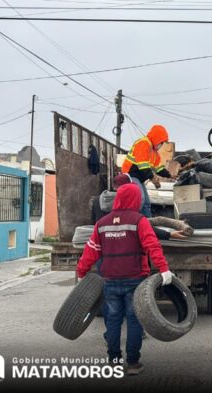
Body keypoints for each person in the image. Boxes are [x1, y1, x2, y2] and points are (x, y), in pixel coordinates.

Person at [76, 183, 174, 375]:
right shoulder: (140, 221)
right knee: (134, 320)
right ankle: (133, 363)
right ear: (137, 199)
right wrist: (163, 269)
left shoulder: (102, 223)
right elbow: (152, 246)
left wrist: (81, 272)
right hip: (135, 280)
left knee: (112, 321)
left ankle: (113, 359)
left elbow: (91, 251)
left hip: (110, 281)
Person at [121, 124, 173, 217]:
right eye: (161, 143)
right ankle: (133, 221)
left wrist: (170, 175)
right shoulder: (144, 143)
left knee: (146, 203)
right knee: (140, 199)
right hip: (130, 175)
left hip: (138, 178)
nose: (161, 146)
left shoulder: (155, 153)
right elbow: (143, 166)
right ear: (157, 139)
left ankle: (148, 224)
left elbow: (159, 168)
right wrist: (153, 179)